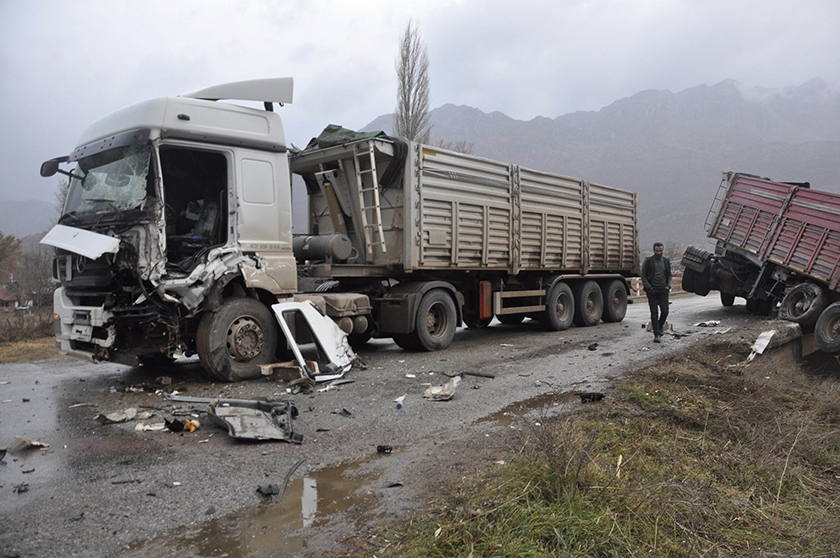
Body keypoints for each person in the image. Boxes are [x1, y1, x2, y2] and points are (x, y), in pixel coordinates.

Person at [641, 242, 671, 342]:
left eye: (660, 251)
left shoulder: (666, 260)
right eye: (657, 251)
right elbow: (643, 275)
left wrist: (668, 285)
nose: (659, 253)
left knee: (665, 311)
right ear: (654, 250)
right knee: (654, 313)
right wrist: (648, 287)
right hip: (652, 290)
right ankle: (657, 334)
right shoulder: (648, 261)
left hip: (663, 290)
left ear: (663, 250)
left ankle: (659, 325)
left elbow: (669, 275)